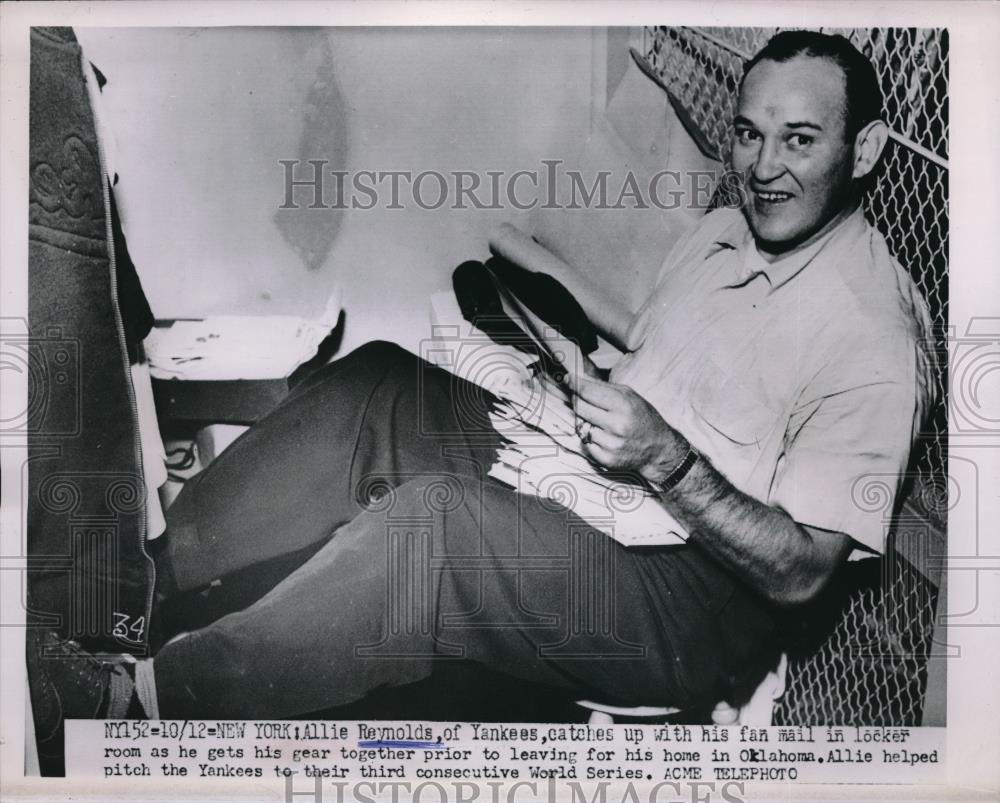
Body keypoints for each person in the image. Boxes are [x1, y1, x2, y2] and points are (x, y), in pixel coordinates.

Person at [30, 30, 934, 724]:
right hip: (607, 492)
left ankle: (135, 703)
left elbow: (804, 573)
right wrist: (558, 374)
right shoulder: (729, 231)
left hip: (693, 606)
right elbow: (663, 355)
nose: (764, 167)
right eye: (748, 134)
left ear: (866, 149)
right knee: (378, 384)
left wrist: (667, 460)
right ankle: (112, 607)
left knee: (434, 531)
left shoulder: (871, 335)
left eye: (800, 141)